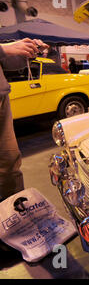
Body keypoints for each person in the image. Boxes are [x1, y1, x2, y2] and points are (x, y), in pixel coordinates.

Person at [0, 38, 48, 201]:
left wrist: (27, 52)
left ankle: (15, 214)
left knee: (10, 164)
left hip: (1, 97)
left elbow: (7, 63)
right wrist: (4, 48)